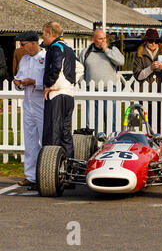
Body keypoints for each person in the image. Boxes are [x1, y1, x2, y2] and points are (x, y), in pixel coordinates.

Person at [41, 21, 83, 159]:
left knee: (52, 133)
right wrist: (69, 82)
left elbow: (57, 66)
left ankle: (51, 172)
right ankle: (69, 167)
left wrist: (48, 84)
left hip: (56, 94)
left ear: (50, 34)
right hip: (68, 94)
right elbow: (80, 68)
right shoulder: (68, 47)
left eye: (43, 34)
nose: (42, 37)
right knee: (65, 134)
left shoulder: (55, 47)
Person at [13, 31, 46, 188]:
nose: (21, 47)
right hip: (28, 104)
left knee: (45, 140)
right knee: (30, 141)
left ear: (34, 43)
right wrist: (18, 83)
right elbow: (19, 77)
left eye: (23, 44)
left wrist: (34, 81)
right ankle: (31, 176)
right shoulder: (25, 59)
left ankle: (45, 175)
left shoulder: (45, 57)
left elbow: (49, 80)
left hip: (43, 104)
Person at [79, 29, 124, 132]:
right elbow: (80, 70)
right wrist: (83, 83)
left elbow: (121, 62)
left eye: (104, 38)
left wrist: (106, 50)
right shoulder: (86, 52)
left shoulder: (113, 50)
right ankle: (91, 145)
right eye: (100, 39)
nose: (103, 41)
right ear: (93, 39)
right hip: (91, 91)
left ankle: (111, 144)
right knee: (91, 123)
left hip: (109, 91)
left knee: (111, 121)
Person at [133, 28, 162, 133]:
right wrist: (150, 68)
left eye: (156, 41)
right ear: (146, 41)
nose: (154, 43)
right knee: (148, 123)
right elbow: (138, 75)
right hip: (146, 94)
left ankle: (160, 142)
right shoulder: (140, 54)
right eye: (151, 41)